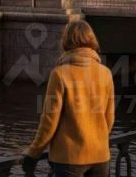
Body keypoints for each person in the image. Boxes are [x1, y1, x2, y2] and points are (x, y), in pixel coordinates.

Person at [22, 19, 115, 177]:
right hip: (100, 157)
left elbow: (49, 122)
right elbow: (109, 118)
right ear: (92, 40)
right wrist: (97, 142)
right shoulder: (105, 73)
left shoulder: (59, 74)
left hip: (69, 159)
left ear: (66, 42)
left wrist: (33, 153)